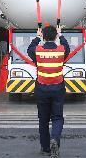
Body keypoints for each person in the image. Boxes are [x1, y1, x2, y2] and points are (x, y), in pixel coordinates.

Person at [27, 25, 70, 158]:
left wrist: (37, 37)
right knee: (57, 117)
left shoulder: (37, 50)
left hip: (42, 88)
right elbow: (66, 46)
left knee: (43, 119)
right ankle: (55, 139)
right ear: (55, 36)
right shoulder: (61, 50)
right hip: (57, 88)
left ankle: (45, 148)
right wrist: (60, 34)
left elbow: (29, 49)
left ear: (43, 37)